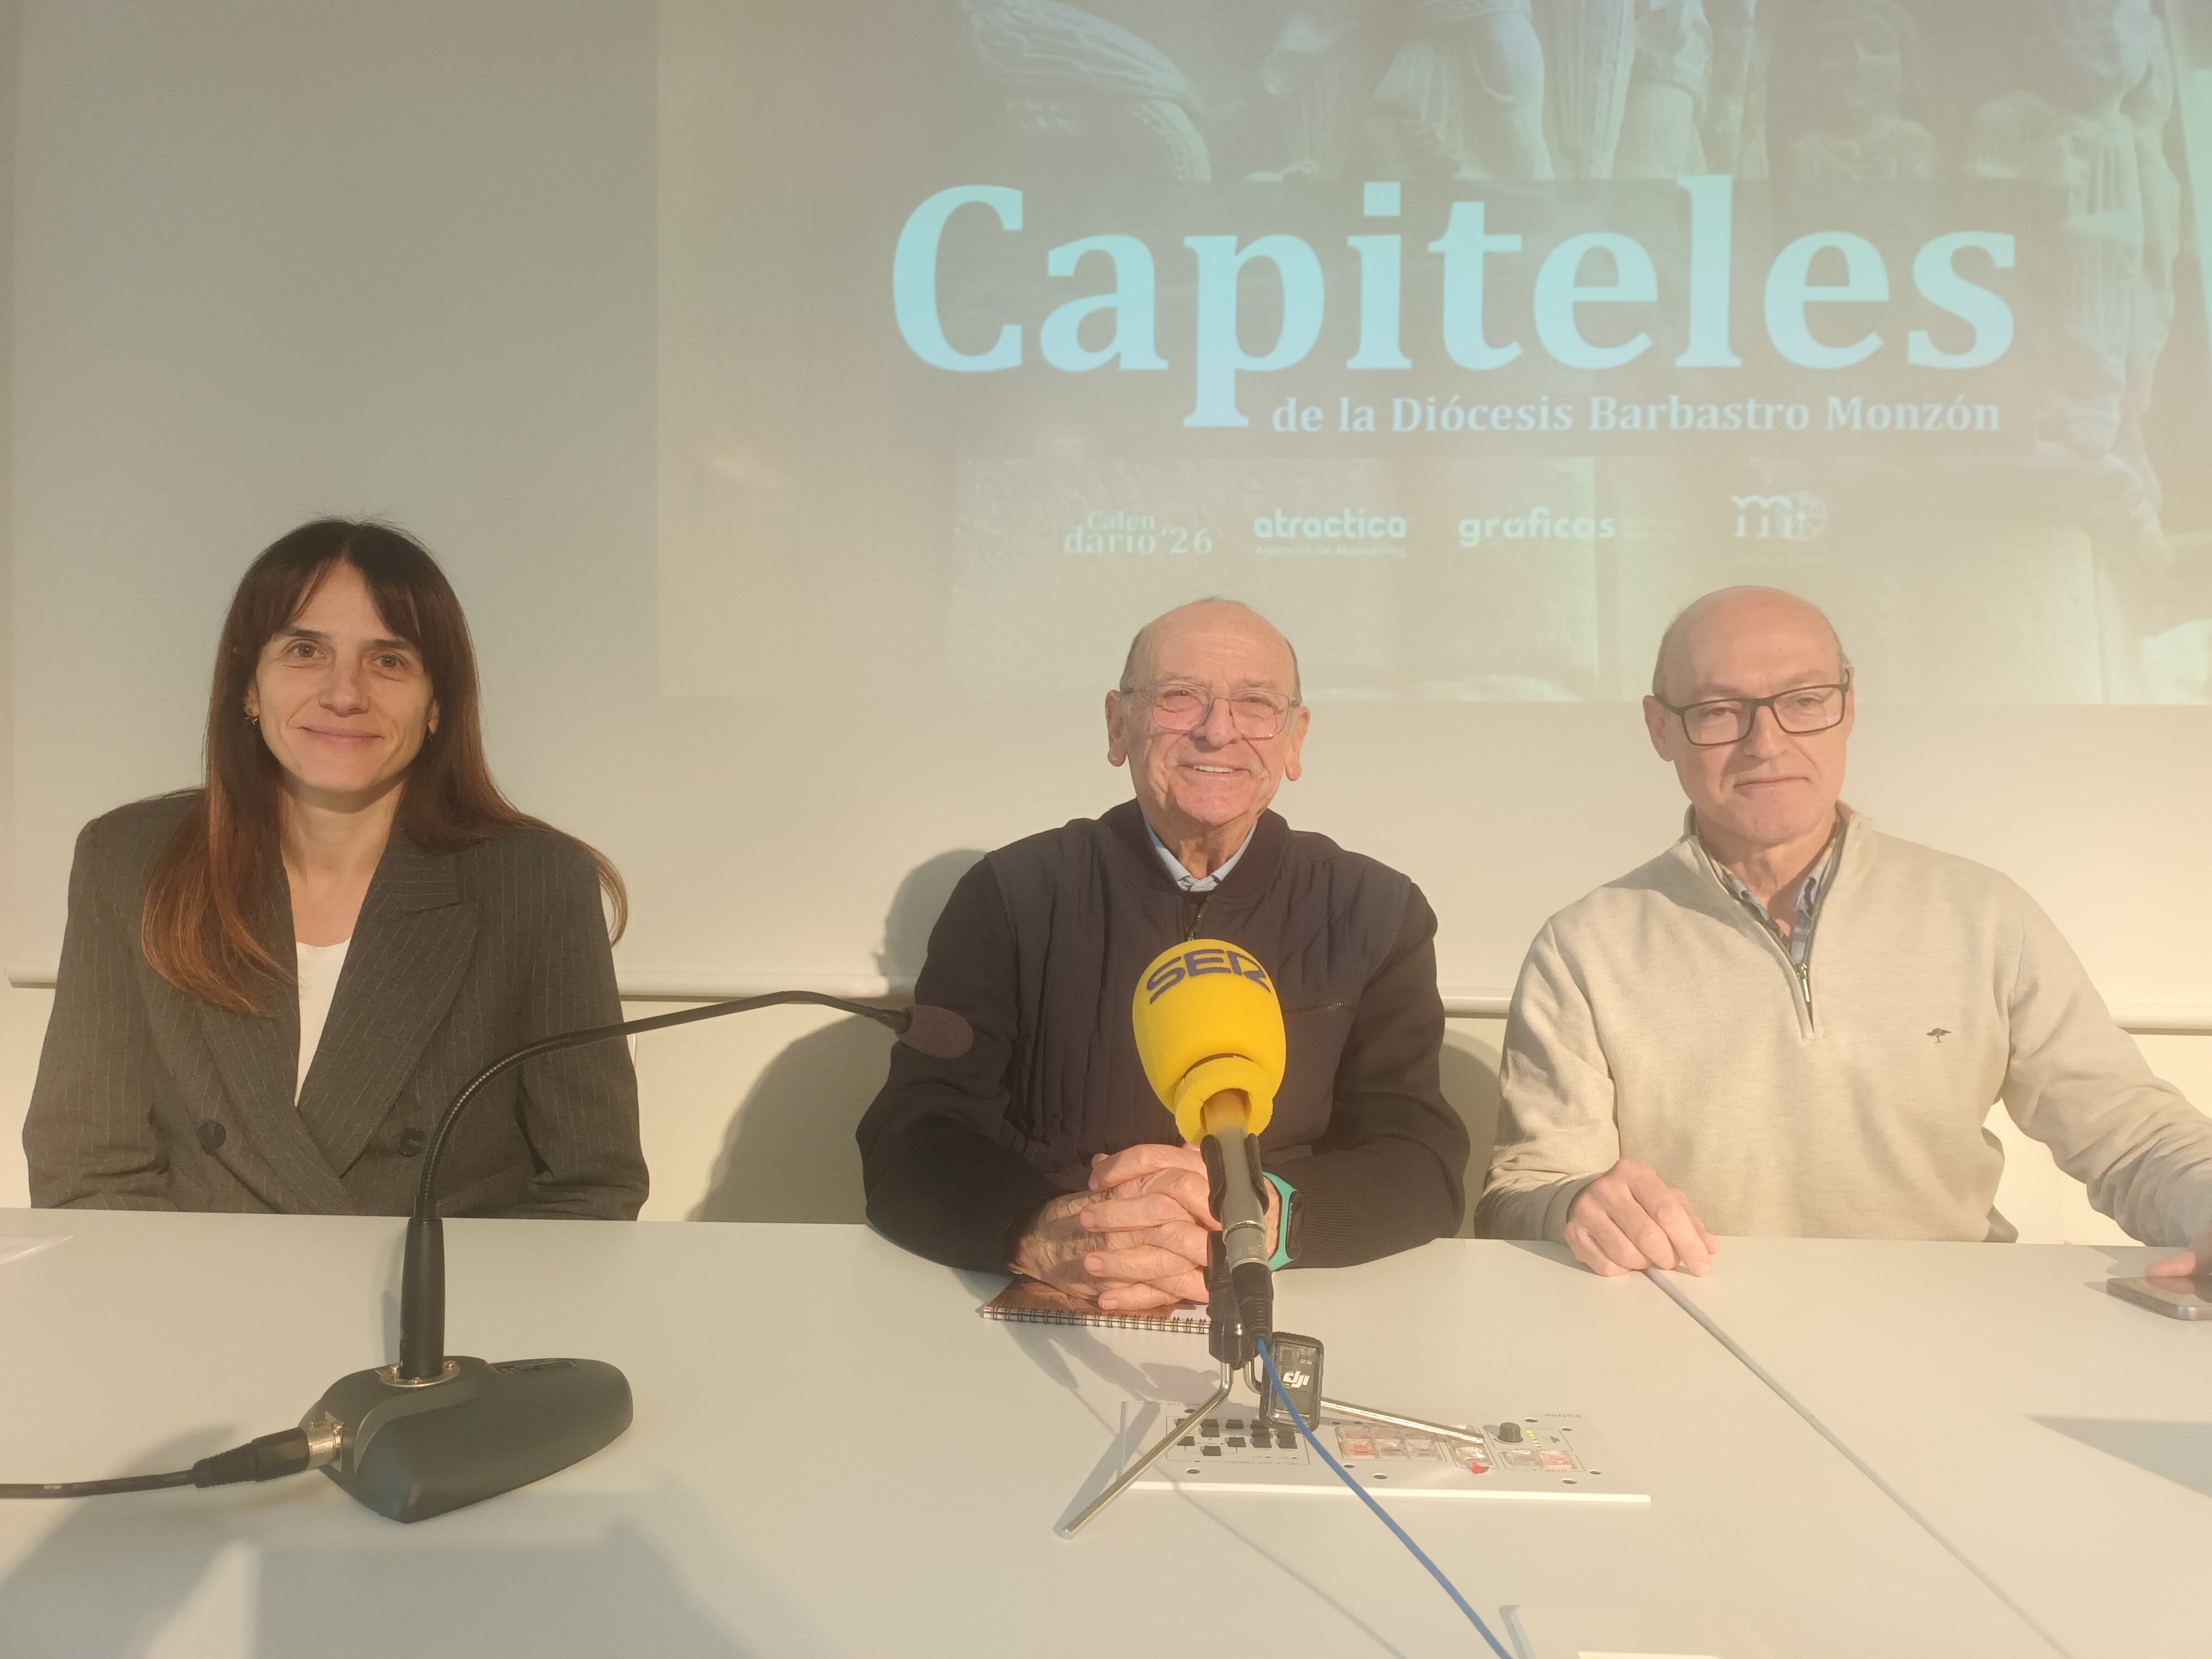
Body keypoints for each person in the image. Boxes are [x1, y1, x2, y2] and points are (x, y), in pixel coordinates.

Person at [1479, 585, 2212, 1277]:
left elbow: (2133, 1138)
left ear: (1849, 706)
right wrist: (1574, 1205)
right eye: (1718, 709)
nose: (1765, 742)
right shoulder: (1585, 947)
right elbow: (1525, 1196)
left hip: (1955, 1334)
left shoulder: (1982, 914)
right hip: (1689, 1330)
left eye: (1804, 701)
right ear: (1660, 728)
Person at [24, 519, 648, 1218]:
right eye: (304, 651)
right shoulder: (129, 860)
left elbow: (588, 1188)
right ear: (249, 687)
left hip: (436, 1314)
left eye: (389, 661)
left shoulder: (533, 882)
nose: (344, 693)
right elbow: (88, 1170)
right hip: (195, 1310)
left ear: (437, 701)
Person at [858, 599, 1468, 1309]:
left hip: (1281, 1293)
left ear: (1294, 739)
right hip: (1048, 1296)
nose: (1217, 730)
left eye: (1254, 703)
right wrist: (1040, 1231)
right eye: (1180, 697)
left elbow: (1423, 1163)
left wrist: (1268, 1219)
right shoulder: (1010, 894)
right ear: (1119, 725)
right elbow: (910, 1137)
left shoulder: (1377, 912)